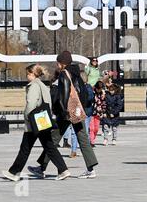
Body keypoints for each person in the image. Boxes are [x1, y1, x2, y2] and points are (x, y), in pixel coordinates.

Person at [28, 51, 99, 179]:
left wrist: (62, 109)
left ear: (62, 63)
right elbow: (82, 93)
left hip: (67, 112)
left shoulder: (64, 74)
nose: (57, 64)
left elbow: (65, 93)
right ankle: (91, 168)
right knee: (82, 138)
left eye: (58, 62)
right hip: (77, 110)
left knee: (54, 138)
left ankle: (42, 167)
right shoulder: (77, 74)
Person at [2, 64, 70, 181]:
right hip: (43, 119)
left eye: (28, 73)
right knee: (49, 147)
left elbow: (31, 103)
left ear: (33, 74)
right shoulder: (43, 85)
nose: (27, 76)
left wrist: (27, 116)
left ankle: (14, 172)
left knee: (25, 148)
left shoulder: (33, 86)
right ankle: (63, 170)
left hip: (34, 122)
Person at [90, 81, 107, 145]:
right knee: (92, 128)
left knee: (96, 128)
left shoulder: (102, 93)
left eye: (101, 89)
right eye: (99, 89)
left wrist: (104, 111)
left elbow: (104, 103)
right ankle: (91, 141)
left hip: (98, 113)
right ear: (96, 88)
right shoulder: (92, 92)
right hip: (91, 112)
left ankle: (93, 139)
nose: (100, 90)